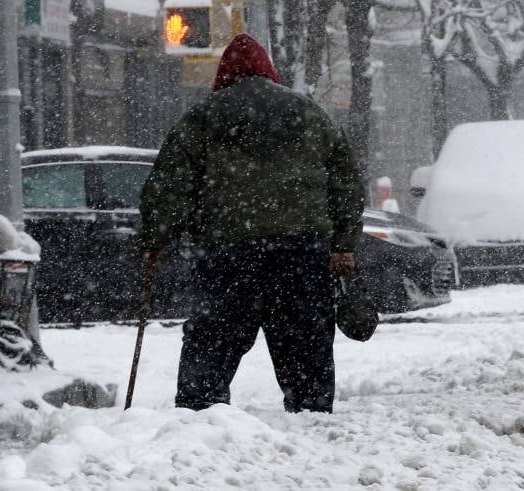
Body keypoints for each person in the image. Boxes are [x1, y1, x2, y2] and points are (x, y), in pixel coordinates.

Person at [139, 33, 365, 412]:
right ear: (269, 71)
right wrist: (343, 243)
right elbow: (346, 182)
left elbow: (169, 185)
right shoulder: (309, 113)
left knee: (215, 334)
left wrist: (155, 240)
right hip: (302, 249)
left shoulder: (204, 117)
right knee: (304, 335)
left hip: (229, 250)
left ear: (224, 75)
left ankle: (200, 409)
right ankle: (311, 409)